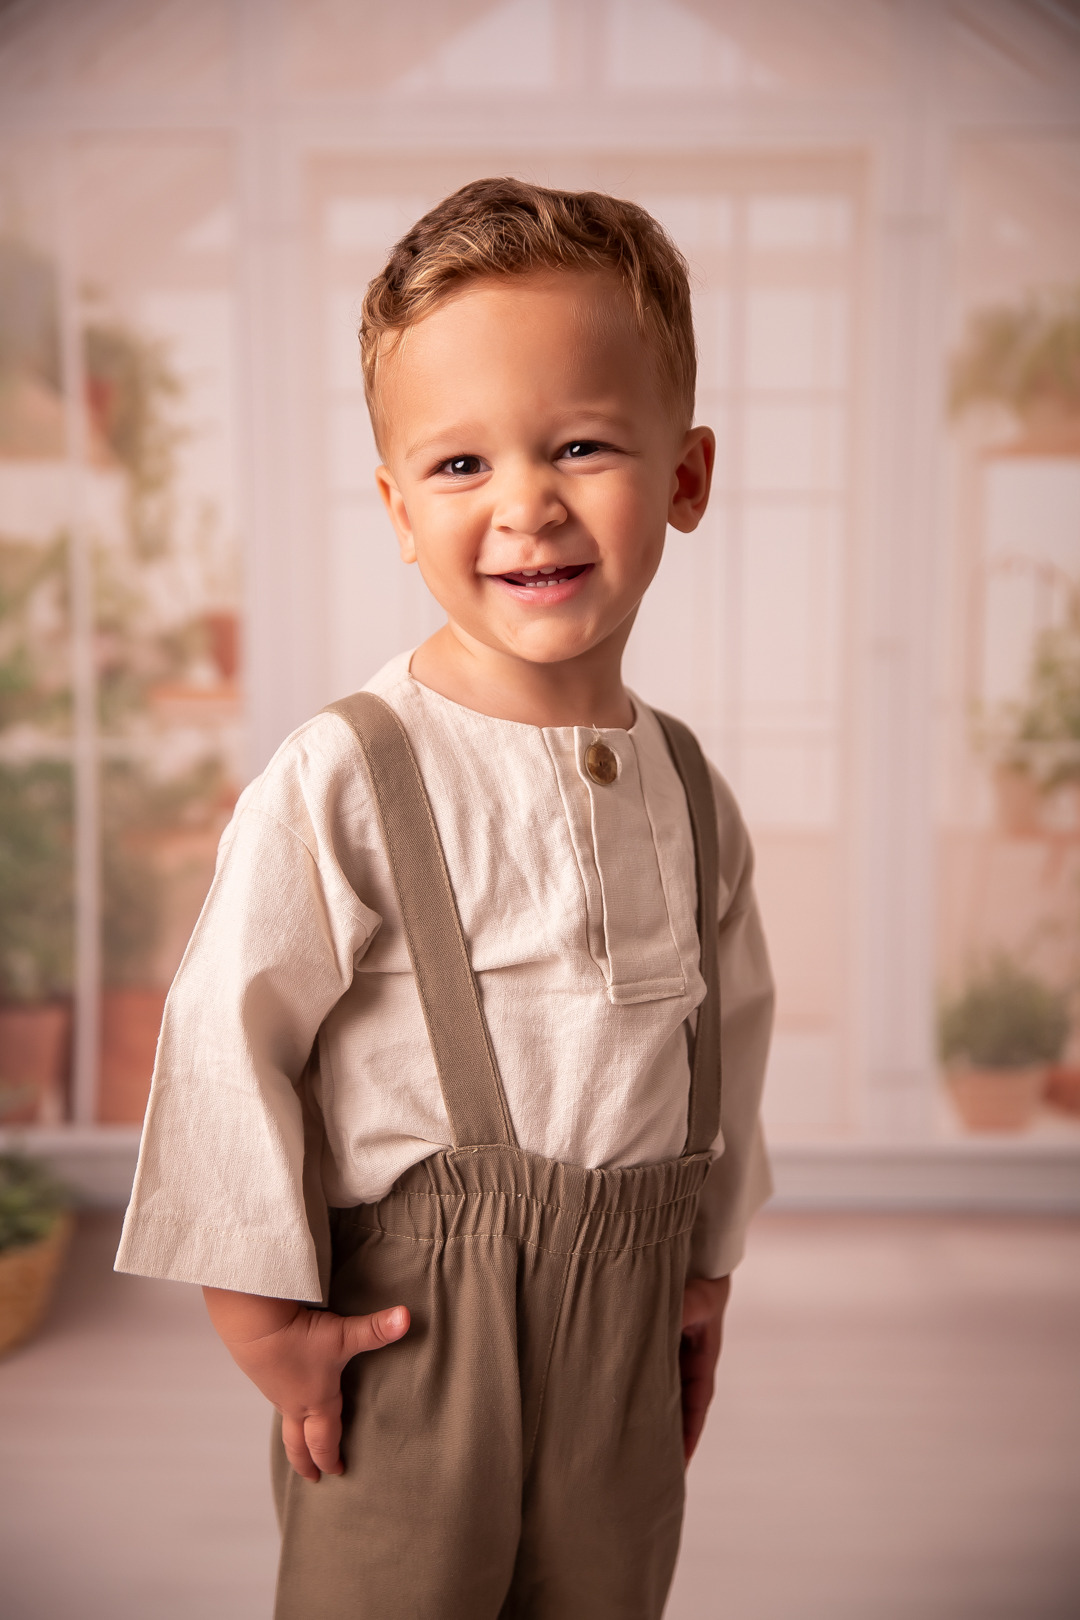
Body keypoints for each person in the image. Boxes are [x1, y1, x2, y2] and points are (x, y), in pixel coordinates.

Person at [116, 177, 774, 1620]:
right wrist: (262, 1316)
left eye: (583, 445)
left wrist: (703, 1265)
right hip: (416, 1332)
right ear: (398, 510)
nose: (526, 504)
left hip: (631, 1313)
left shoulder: (688, 782)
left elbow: (726, 1035)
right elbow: (230, 1039)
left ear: (685, 476)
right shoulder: (348, 772)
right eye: (462, 466)